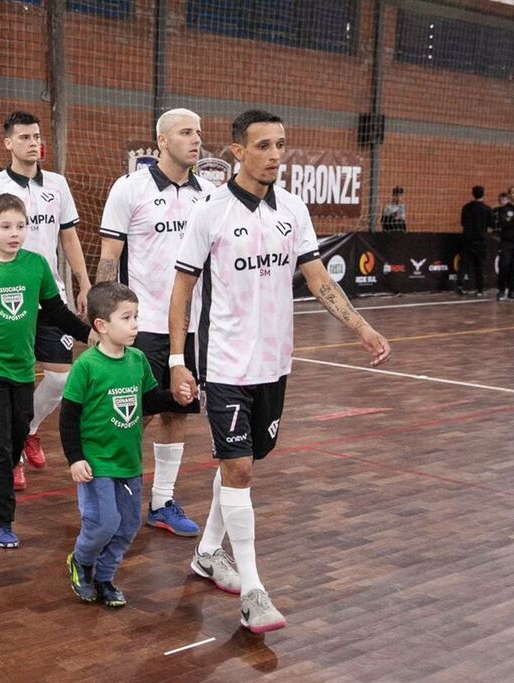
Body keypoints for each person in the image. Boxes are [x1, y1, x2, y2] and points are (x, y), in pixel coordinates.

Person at [169, 110, 392, 633]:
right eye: (263, 145)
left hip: (275, 364)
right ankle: (253, 592)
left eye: (281, 145)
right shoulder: (211, 211)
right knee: (240, 468)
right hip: (223, 363)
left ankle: (206, 554)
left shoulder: (294, 208)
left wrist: (361, 327)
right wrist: (179, 361)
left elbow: (317, 278)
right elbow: (180, 290)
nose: (274, 155)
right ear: (237, 152)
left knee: (241, 467)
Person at [0, 193, 94, 549]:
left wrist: (91, 335)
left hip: (22, 369)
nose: (15, 233)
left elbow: (56, 312)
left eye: (21, 226)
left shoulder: (37, 265)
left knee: (15, 437)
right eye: (6, 227)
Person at [96, 108, 217, 537]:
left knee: (178, 405)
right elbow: (110, 257)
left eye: (199, 133)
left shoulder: (210, 194)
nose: (196, 140)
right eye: (186, 133)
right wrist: (106, 318)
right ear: (162, 141)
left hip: (190, 324)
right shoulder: (130, 188)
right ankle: (106, 487)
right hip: (140, 322)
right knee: (133, 410)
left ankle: (162, 500)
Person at [0, 111, 91, 478]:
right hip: (0, 299)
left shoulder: (58, 185)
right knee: (10, 382)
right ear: (8, 143)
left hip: (49, 297)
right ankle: (11, 454)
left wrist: (84, 282)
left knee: (61, 378)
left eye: (37, 137)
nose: (34, 143)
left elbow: (69, 236)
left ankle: (29, 431)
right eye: (25, 137)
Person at [61, 282, 191, 608]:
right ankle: (81, 561)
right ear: (101, 326)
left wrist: (175, 398)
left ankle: (105, 577)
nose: (136, 325)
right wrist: (75, 458)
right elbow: (68, 418)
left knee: (129, 524)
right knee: (104, 522)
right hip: (97, 462)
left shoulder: (138, 360)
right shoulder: (87, 366)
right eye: (127, 318)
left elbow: (147, 401)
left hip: (129, 462)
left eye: (136, 317)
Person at [457, 185, 494, 297]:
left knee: (464, 265)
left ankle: (460, 285)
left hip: (467, 240)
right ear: (484, 194)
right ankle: (480, 289)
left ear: (472, 193)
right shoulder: (487, 209)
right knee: (480, 266)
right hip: (480, 241)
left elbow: (463, 223)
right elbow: (491, 225)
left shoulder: (466, 207)